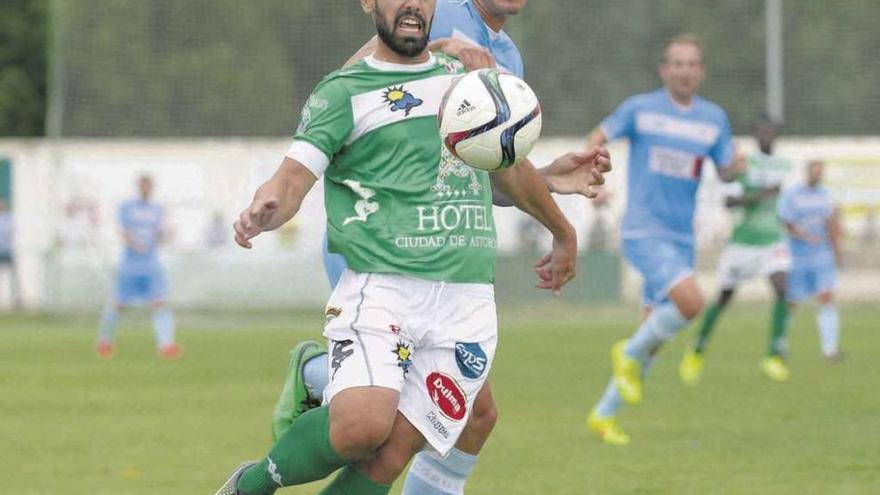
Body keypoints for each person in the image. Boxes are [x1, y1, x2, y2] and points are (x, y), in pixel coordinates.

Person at [215, 1, 582, 493]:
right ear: (369, 2)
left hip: (466, 300)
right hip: (384, 286)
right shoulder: (344, 90)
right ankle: (251, 486)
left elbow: (506, 167)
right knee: (362, 428)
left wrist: (562, 229)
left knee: (396, 451)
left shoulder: (470, 79)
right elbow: (292, 177)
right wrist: (267, 207)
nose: (412, 2)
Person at [583, 34, 743, 445]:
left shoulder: (713, 118)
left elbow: (725, 170)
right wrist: (592, 181)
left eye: (692, 64)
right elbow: (597, 137)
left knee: (652, 335)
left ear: (701, 71)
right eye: (677, 63)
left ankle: (604, 415)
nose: (684, 70)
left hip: (680, 237)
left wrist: (736, 167)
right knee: (691, 303)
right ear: (664, 70)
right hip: (642, 229)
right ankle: (626, 353)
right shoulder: (640, 109)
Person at [679, 118, 794, 384]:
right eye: (761, 131)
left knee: (782, 289)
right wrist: (762, 194)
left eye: (770, 131)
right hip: (742, 243)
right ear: (755, 135)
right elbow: (729, 201)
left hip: (772, 241)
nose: (766, 136)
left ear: (776, 135)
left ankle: (774, 355)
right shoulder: (744, 165)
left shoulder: (785, 166)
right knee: (724, 298)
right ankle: (697, 348)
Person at [95, 175, 182, 359]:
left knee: (159, 302)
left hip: (151, 264)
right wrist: (134, 244)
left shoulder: (158, 209)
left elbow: (161, 234)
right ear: (138, 187)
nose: (146, 189)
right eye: (143, 185)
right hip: (130, 264)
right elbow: (122, 230)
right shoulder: (127, 207)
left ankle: (166, 345)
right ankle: (104, 341)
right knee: (118, 304)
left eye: (149, 186)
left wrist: (168, 236)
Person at [778, 160, 844, 359]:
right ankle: (779, 345)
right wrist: (804, 236)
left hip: (821, 255)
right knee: (791, 302)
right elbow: (786, 222)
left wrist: (837, 251)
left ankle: (830, 349)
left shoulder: (826, 196)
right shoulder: (792, 195)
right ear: (807, 172)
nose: (818, 175)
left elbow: (832, 224)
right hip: (797, 256)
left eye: (821, 172)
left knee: (826, 297)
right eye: (815, 171)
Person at [0, 199, 22, 309]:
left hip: (7, 250)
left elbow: (12, 232)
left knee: (14, 276)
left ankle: (17, 300)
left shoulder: (9, 218)